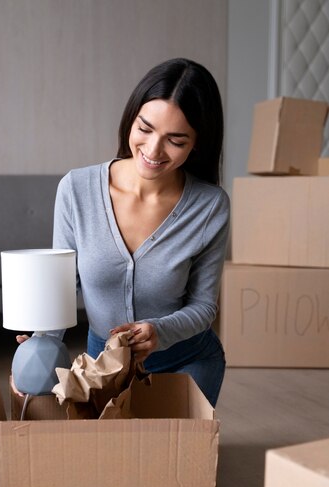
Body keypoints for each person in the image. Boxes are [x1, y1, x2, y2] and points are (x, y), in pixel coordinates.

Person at [20, 57, 230, 407]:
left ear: (197, 143)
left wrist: (160, 331)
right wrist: (39, 350)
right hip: (103, 365)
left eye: (175, 140)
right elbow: (62, 283)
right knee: (106, 461)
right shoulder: (76, 189)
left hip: (187, 361)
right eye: (145, 129)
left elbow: (205, 305)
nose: (152, 150)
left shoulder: (210, 206)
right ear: (131, 119)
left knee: (170, 461)